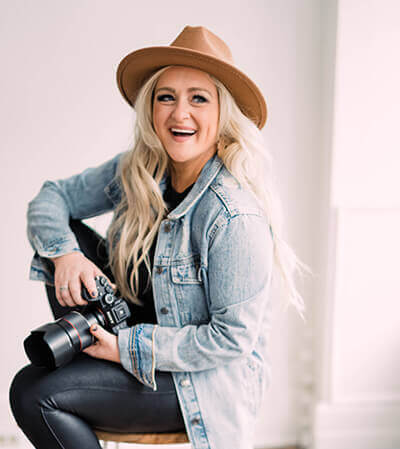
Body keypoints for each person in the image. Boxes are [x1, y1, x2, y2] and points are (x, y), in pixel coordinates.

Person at [9, 25, 310, 449]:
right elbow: (52, 197)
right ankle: (88, 345)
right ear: (150, 108)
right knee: (65, 237)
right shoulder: (142, 168)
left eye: (198, 98)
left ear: (223, 114)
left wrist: (126, 348)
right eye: (166, 97)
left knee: (34, 393)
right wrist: (66, 257)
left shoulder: (233, 216)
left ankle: (90, 359)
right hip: (130, 335)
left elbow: (230, 340)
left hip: (198, 382)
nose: (179, 113)